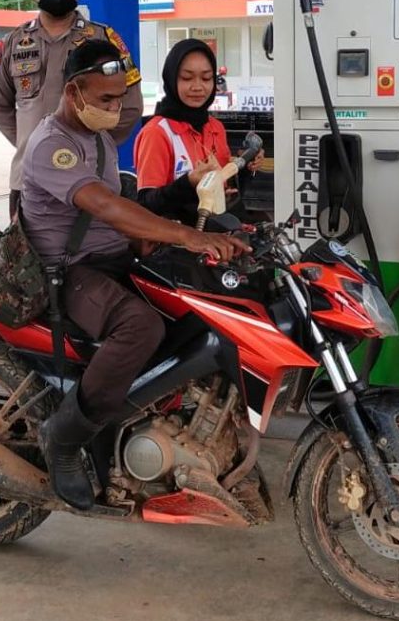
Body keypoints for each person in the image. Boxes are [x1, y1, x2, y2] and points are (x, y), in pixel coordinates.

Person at [22, 40, 248, 511]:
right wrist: (187, 237)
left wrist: (187, 240)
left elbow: (125, 210)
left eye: (117, 99)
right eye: (104, 100)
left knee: (194, 301)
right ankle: (63, 437)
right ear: (73, 93)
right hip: (70, 271)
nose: (113, 109)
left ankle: (146, 420)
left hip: (114, 257)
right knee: (140, 326)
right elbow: (106, 206)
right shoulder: (51, 145)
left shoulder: (98, 139)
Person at [0, 0, 143, 220]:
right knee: (26, 260)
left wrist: (94, 148)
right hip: (26, 180)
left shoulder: (103, 40)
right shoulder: (13, 43)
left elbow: (130, 107)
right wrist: (38, 149)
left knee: (88, 256)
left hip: (90, 182)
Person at [133, 39, 263, 226]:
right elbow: (146, 205)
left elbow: (227, 188)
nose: (197, 87)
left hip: (221, 235)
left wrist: (246, 168)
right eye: (187, 78)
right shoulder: (157, 132)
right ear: (171, 78)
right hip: (179, 243)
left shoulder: (215, 127)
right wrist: (188, 183)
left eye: (206, 78)